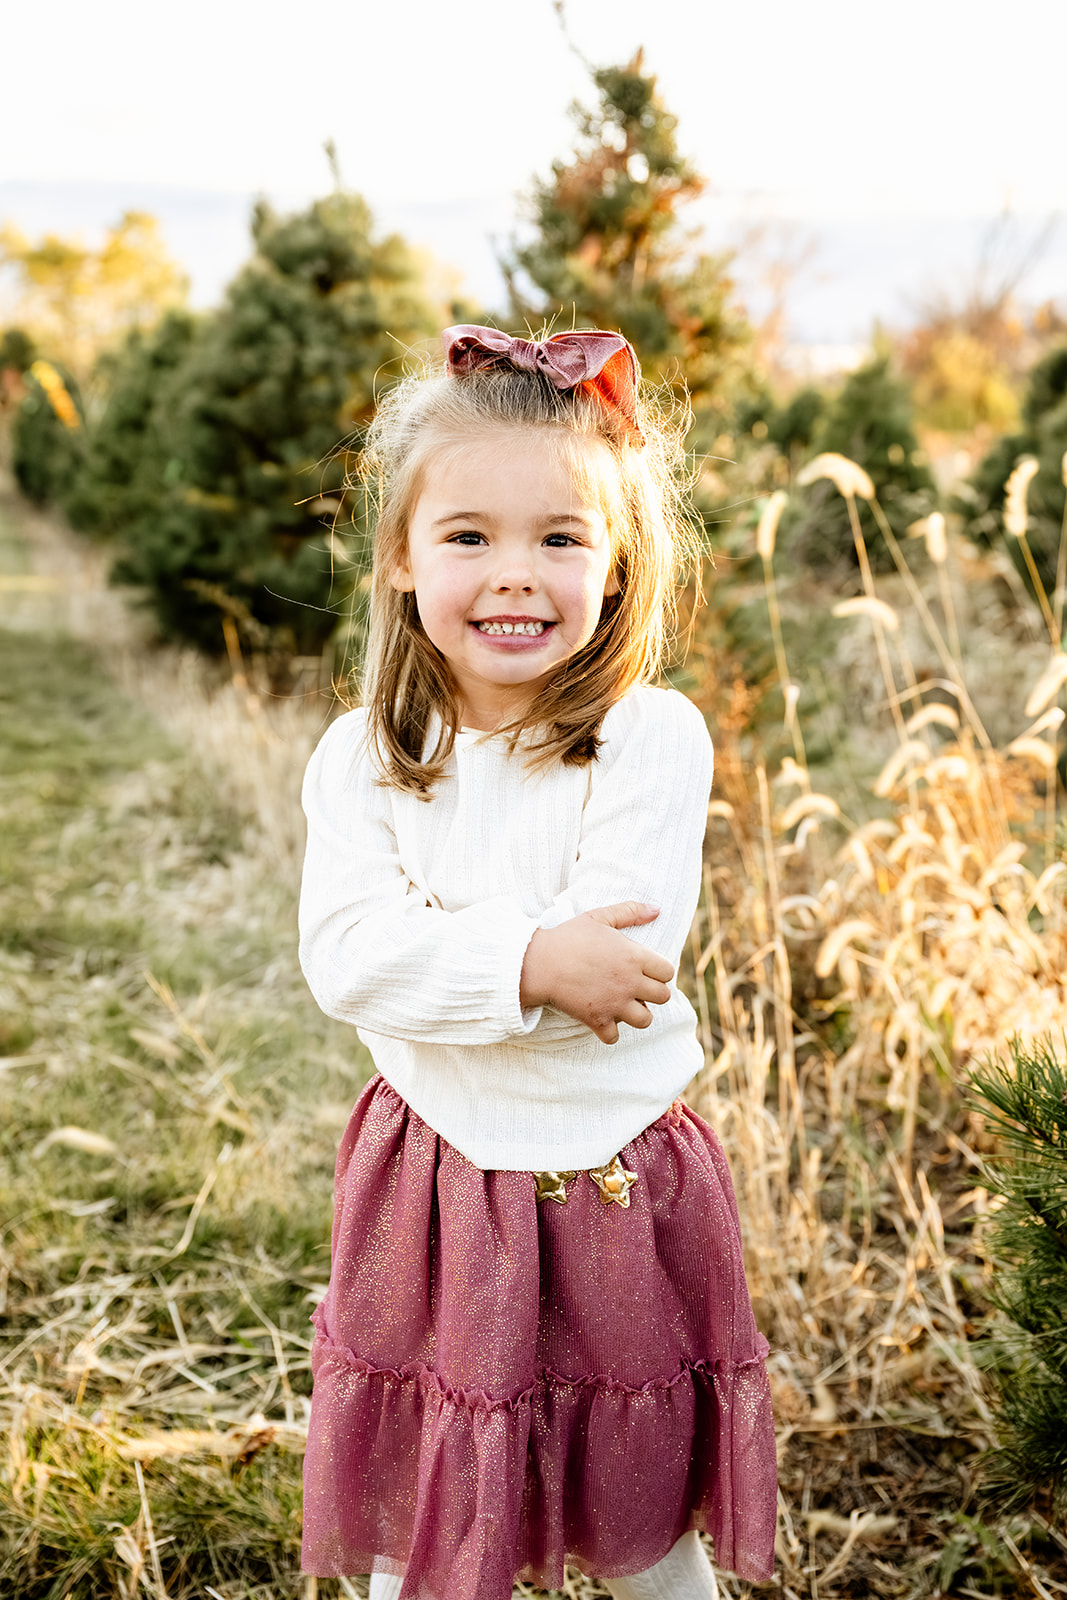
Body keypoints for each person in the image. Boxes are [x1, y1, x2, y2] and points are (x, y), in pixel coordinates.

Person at [297, 325, 777, 1600]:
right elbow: (347, 960)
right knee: (422, 1482)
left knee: (638, 1497)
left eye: (559, 537)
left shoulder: (647, 740)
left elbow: (613, 985)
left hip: (604, 1181)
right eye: (469, 537)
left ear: (616, 563)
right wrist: (525, 959)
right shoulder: (364, 758)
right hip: (432, 1182)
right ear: (401, 558)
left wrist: (476, 966)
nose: (516, 574)